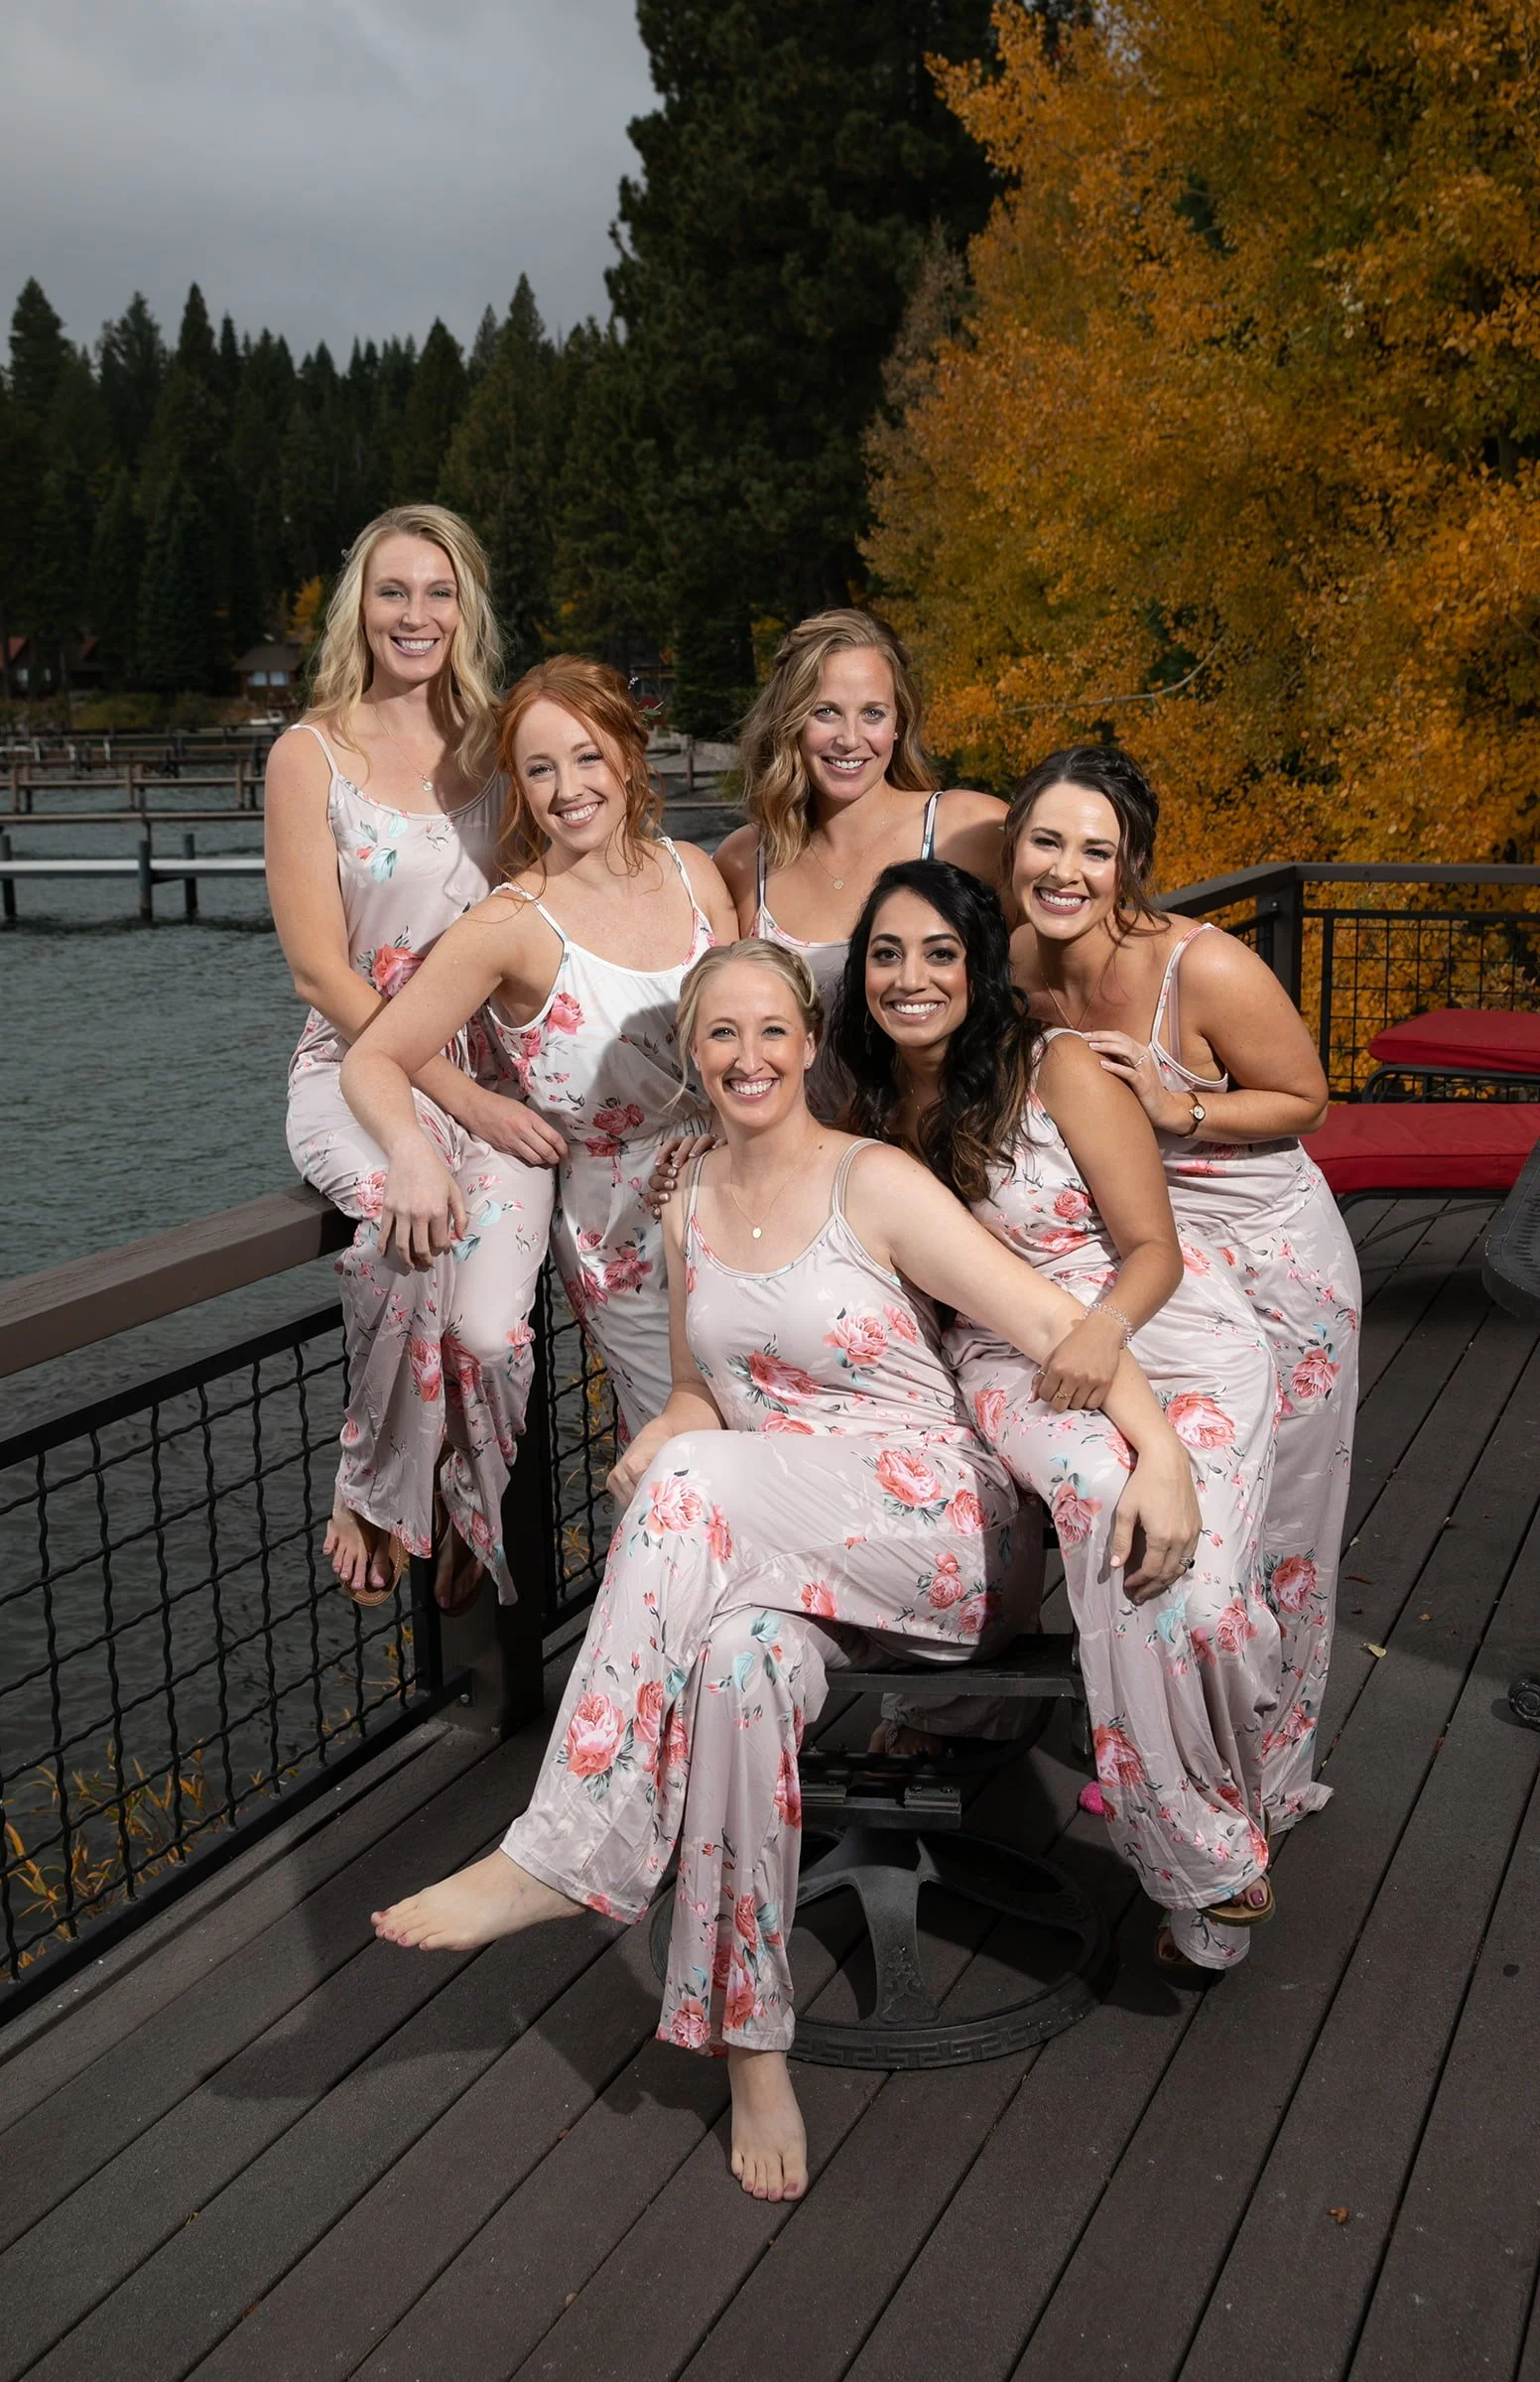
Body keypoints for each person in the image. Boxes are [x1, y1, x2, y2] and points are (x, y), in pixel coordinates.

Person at [370, 940, 1201, 2200]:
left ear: (810, 1044)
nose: (748, 1058)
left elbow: (1049, 1322)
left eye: (772, 1032)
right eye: (720, 1036)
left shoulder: (876, 1182)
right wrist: (663, 1429)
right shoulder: (684, 1198)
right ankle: (752, 2045)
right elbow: (710, 1389)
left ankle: (563, 1848)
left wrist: (1166, 1463)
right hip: (783, 1545)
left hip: (936, 1534)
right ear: (692, 1058)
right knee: (734, 1665)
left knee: (699, 1497)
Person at [841, 860, 1284, 1974]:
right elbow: (740, 1116)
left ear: (977, 964)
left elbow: (1154, 1249)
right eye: (886, 954)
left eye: (938, 952)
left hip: (1167, 1337)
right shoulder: (857, 1097)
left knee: (1203, 1600)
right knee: (1109, 1509)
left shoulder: (1056, 1068)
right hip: (1009, 1357)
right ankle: (1203, 1858)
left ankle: (1206, 1816)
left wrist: (1105, 1336)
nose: (910, 977)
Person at [1004, 747, 1361, 1837]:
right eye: (1046, 841)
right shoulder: (1006, 959)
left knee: (1278, 1539)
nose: (1066, 870)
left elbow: (1308, 1098)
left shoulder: (1200, 969)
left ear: (1132, 867)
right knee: (1173, 1517)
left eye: (1095, 851)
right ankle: (1169, 1732)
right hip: (1136, 1261)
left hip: (1263, 1257)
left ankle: (1264, 1778)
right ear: (1012, 844)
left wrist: (1180, 1106)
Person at [267, 504, 559, 1611]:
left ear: (465, 609)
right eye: (394, 592)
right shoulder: (310, 756)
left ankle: (464, 1501)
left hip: (492, 1079)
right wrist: (444, 1105)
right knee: (404, 1215)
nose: (416, 615)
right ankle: (373, 1486)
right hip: (353, 1068)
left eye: (438, 594)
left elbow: (560, 896)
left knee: (489, 1330)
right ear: (360, 607)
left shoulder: (498, 745)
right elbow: (318, 972)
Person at [339, 656, 738, 1443]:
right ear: (519, 787)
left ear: (628, 754)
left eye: (588, 756)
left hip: (746, 1198)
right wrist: (419, 1147)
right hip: (626, 1236)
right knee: (692, 1460)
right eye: (540, 770)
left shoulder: (694, 873)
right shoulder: (510, 924)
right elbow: (372, 1059)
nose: (570, 788)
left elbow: (767, 1034)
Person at [710, 608, 1008, 1121]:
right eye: (825, 711)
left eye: (873, 713)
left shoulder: (967, 831)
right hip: (794, 1159)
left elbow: (1055, 967)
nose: (850, 739)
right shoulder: (745, 861)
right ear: (792, 722)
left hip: (939, 1144)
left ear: (899, 725)